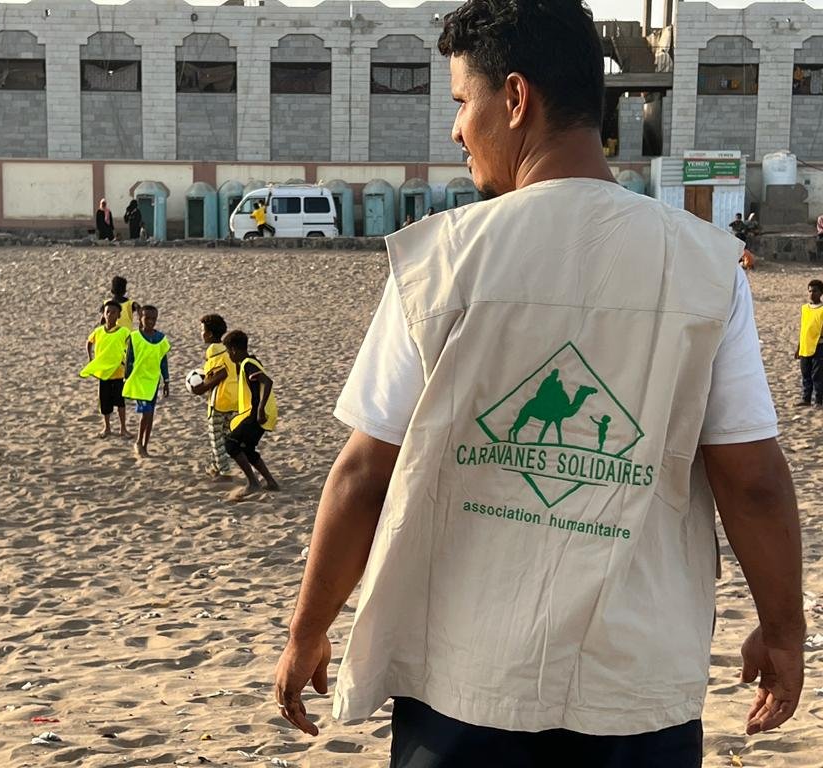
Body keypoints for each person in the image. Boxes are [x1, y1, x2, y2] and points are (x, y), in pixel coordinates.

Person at [274, 2, 805, 765]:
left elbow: (364, 473)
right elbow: (751, 479)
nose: (457, 130)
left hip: (463, 685)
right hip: (634, 690)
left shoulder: (441, 261)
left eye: (462, 103)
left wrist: (307, 631)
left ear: (516, 99)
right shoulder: (704, 265)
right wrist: (782, 630)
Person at [222, 330, 279, 500]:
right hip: (256, 413)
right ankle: (271, 483)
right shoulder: (251, 361)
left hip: (256, 414)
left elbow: (268, 382)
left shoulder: (248, 364)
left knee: (230, 444)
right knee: (247, 448)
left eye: (228, 352)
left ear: (232, 350)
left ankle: (253, 483)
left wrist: (260, 410)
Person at [189, 313, 239, 479]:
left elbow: (220, 374)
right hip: (233, 399)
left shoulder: (213, 350)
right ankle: (215, 467)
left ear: (209, 334)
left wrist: (202, 388)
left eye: (202, 330)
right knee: (223, 435)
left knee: (216, 437)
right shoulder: (227, 349)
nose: (201, 334)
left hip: (219, 402)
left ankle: (225, 473)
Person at [123, 305, 170, 457]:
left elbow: (163, 361)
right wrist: (126, 378)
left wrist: (166, 380)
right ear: (140, 318)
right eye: (147, 318)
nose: (150, 321)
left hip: (153, 381)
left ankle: (145, 444)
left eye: (153, 318)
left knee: (151, 414)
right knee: (147, 413)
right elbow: (129, 359)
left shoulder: (161, 339)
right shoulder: (134, 337)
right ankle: (138, 442)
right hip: (139, 381)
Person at [81, 300, 132, 437]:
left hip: (118, 373)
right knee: (105, 403)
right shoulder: (98, 331)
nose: (110, 314)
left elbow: (131, 346)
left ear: (119, 315)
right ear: (103, 314)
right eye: (107, 312)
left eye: (113, 312)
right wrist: (90, 358)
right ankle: (107, 427)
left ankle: (123, 428)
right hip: (103, 374)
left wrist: (128, 362)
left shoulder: (123, 331)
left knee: (120, 402)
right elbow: (89, 342)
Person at [796, 279, 823, 407]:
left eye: (815, 291)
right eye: (810, 291)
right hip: (805, 346)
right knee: (805, 374)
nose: (812, 294)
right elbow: (803, 328)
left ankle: (818, 400)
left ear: (821, 293)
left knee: (817, 376)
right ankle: (806, 399)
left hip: (819, 347)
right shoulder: (805, 308)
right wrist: (799, 347)